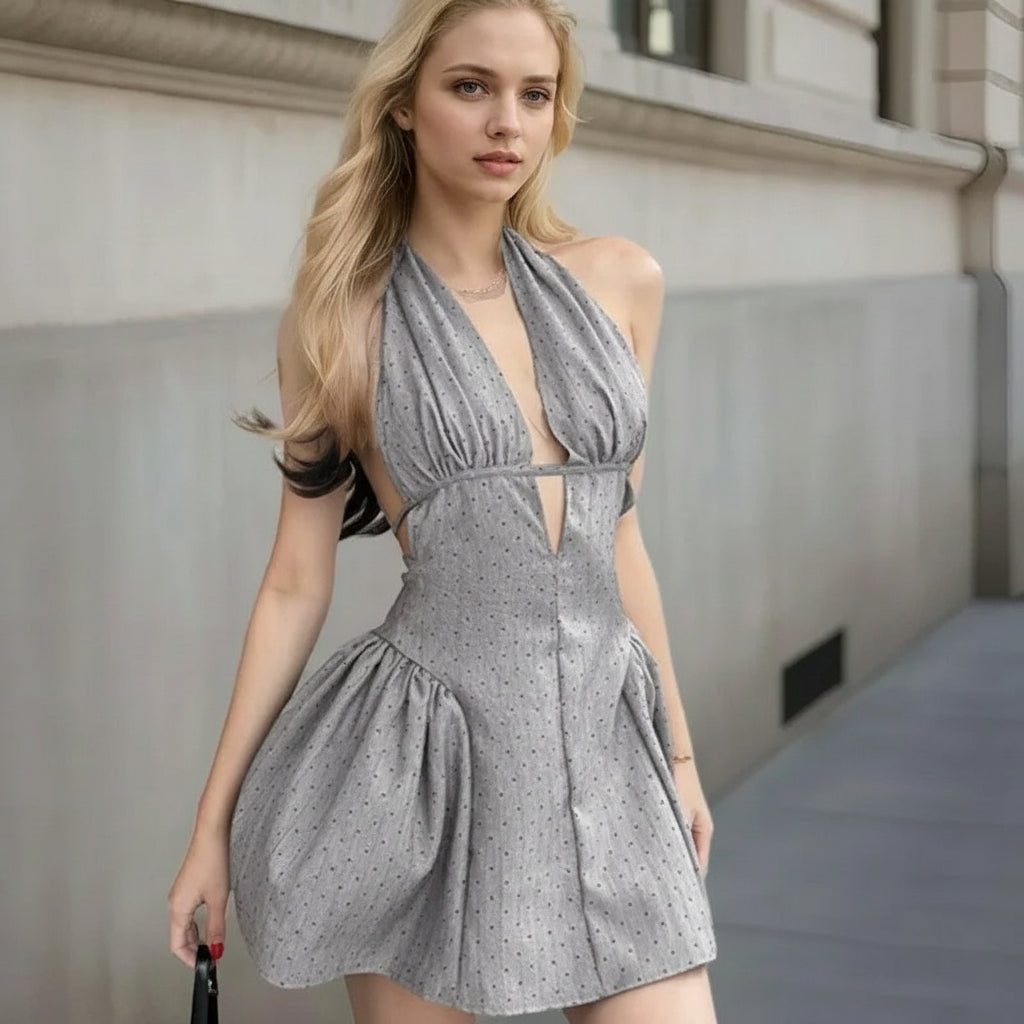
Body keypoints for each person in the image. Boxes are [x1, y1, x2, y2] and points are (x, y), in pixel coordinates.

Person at [167, 1, 719, 1020]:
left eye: (534, 93)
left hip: (611, 745)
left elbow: (620, 533)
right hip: (425, 767)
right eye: (471, 87)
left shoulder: (620, 282)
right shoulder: (340, 323)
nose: (507, 120)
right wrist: (210, 830)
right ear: (407, 107)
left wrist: (678, 756)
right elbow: (297, 580)